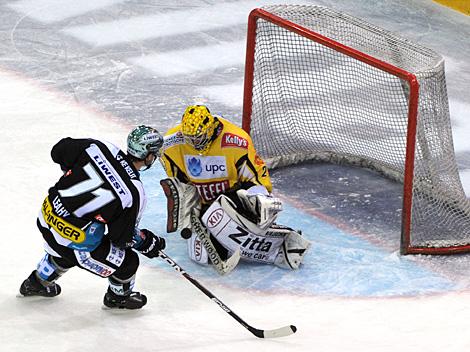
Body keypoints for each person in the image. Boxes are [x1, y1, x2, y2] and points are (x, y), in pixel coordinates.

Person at [19, 126, 166, 309]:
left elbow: (58, 150)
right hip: (71, 238)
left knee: (68, 246)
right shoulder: (134, 192)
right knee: (128, 262)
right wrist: (145, 242)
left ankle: (37, 282)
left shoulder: (99, 147)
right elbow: (121, 238)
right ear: (148, 156)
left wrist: (74, 174)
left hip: (46, 217)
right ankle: (118, 297)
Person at [159, 105, 310, 273]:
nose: (193, 143)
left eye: (198, 138)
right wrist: (189, 210)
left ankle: (279, 244)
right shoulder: (171, 144)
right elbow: (179, 185)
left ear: (209, 130)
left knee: (227, 219)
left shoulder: (235, 141)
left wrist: (260, 199)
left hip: (233, 199)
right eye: (190, 139)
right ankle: (249, 241)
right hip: (203, 205)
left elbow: (255, 177)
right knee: (202, 256)